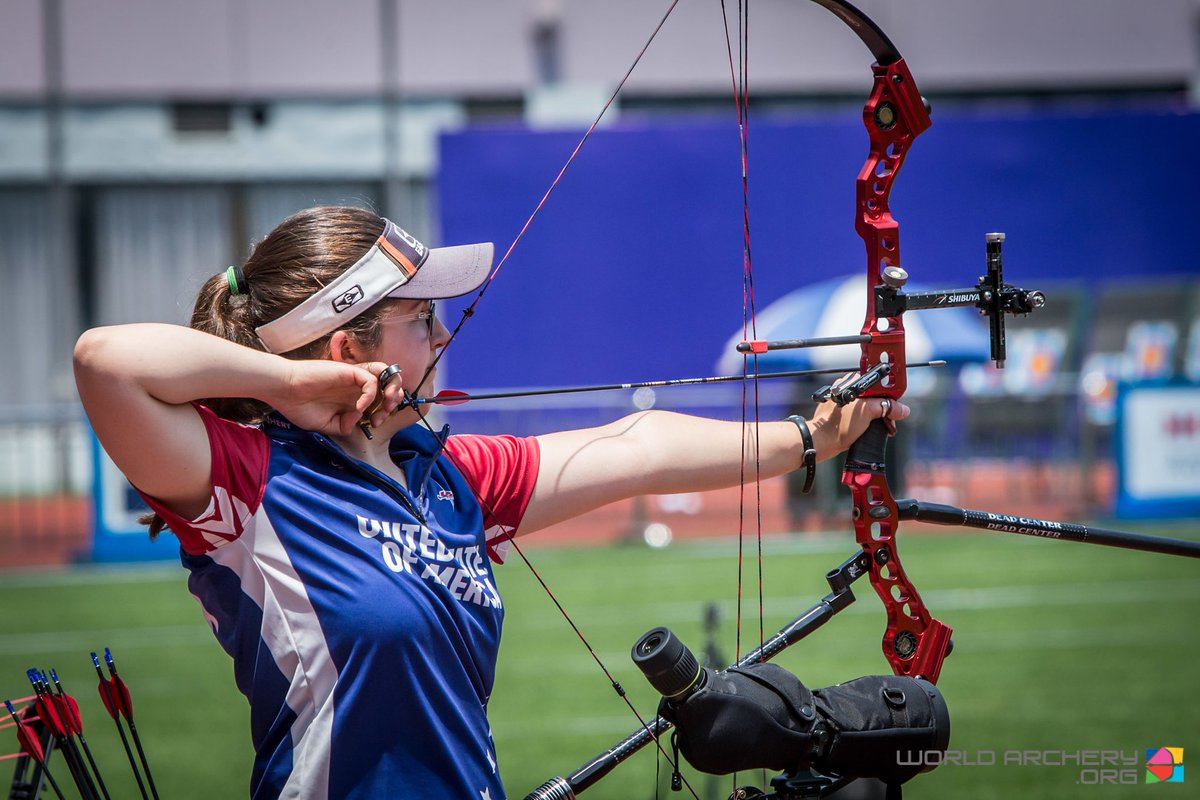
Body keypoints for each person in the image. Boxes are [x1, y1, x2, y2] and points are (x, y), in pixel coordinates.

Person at [73, 205, 908, 799]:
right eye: (423, 320)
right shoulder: (246, 482)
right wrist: (295, 382)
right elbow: (106, 362)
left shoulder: (449, 475)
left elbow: (635, 446)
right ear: (346, 347)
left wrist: (813, 437)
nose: (444, 338)